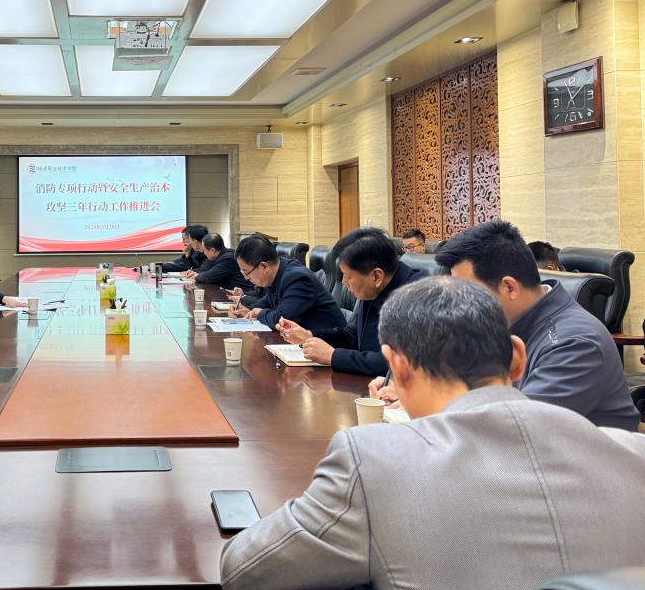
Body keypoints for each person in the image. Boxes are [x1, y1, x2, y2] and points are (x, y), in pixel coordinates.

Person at [221, 277, 645, 590]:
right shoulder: (636, 453)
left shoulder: (370, 462)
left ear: (397, 367)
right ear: (518, 358)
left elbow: (244, 571)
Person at [426, 220, 637, 430]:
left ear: (510, 288)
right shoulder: (502, 322)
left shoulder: (575, 344)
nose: (461, 304)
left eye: (467, 293)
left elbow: (517, 431)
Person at [278, 227, 425, 376]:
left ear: (376, 276)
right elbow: (351, 336)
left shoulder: (418, 299)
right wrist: (309, 335)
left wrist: (334, 356)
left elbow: (398, 363)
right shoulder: (374, 289)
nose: (343, 281)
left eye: (348, 275)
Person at [230, 235, 344, 331]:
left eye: (246, 272)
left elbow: (282, 320)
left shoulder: (298, 278)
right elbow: (268, 301)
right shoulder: (277, 271)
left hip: (329, 344)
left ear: (264, 266)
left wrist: (259, 313)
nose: (246, 278)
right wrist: (249, 310)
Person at [185, 233, 251, 291]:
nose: (204, 253)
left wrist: (196, 276)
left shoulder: (228, 258)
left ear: (212, 250)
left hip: (243, 294)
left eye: (205, 250)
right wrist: (193, 272)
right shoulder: (216, 256)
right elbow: (203, 269)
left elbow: (208, 277)